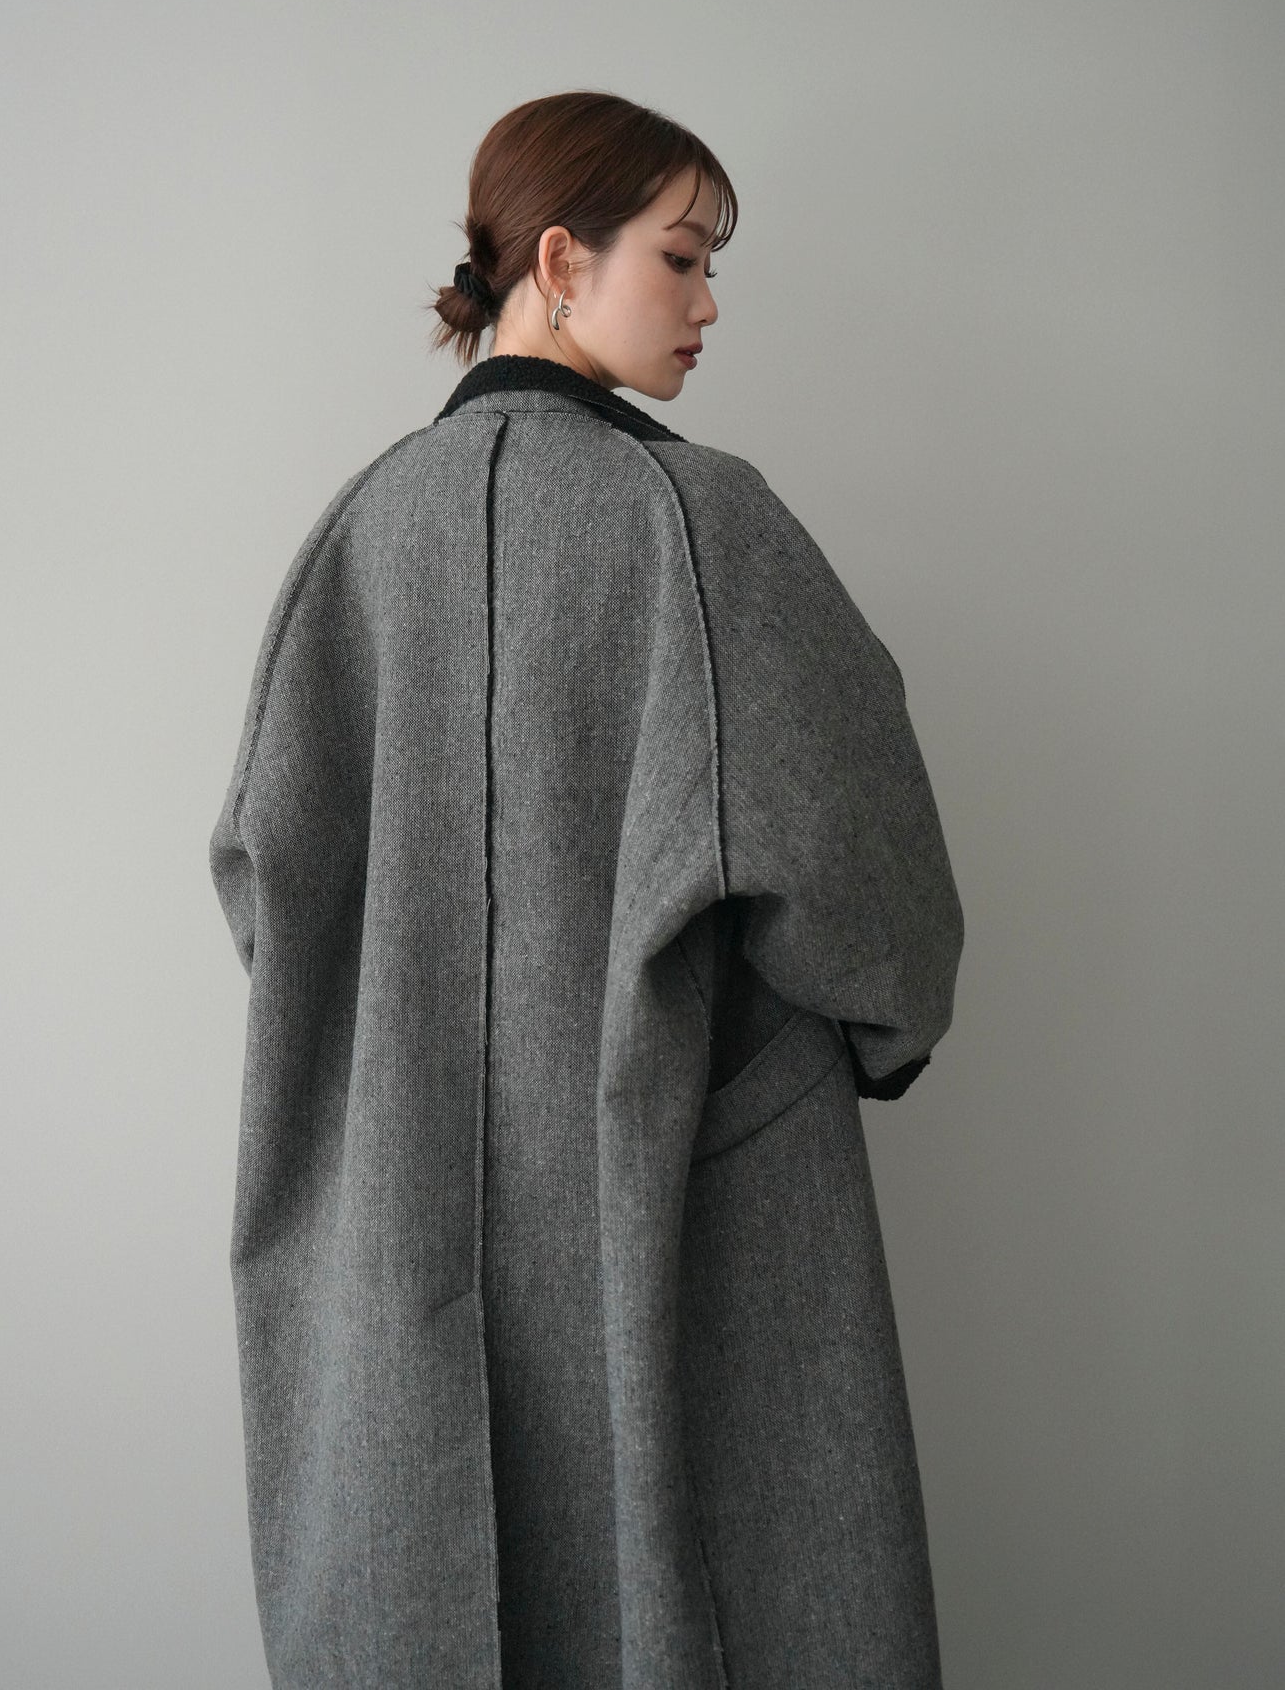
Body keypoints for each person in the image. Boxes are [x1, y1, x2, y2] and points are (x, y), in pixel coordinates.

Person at [210, 90, 965, 1690]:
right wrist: (867, 1038)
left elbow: (262, 888)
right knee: (713, 1591)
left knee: (415, 1594)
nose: (708, 304)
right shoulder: (702, 525)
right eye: (682, 259)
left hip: (391, 1218)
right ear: (559, 262)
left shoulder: (351, 541)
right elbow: (872, 889)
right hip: (684, 1209)